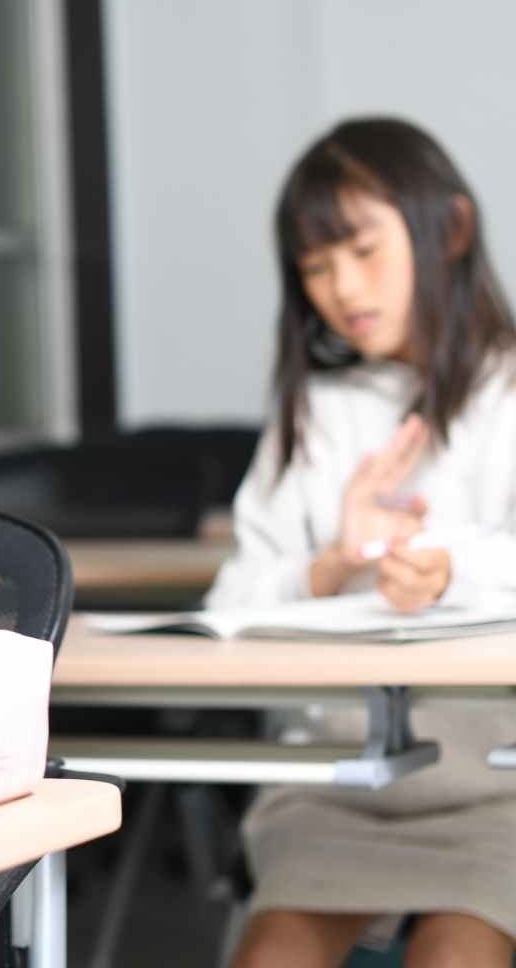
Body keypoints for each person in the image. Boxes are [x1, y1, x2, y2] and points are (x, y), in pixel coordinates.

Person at [211, 119, 516, 968]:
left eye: (363, 250)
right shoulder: (314, 413)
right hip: (333, 785)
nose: (343, 287)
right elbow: (227, 604)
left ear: (450, 230)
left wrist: (454, 568)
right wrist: (331, 567)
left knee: (458, 954)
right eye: (315, 266)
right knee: (270, 955)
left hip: (498, 786)